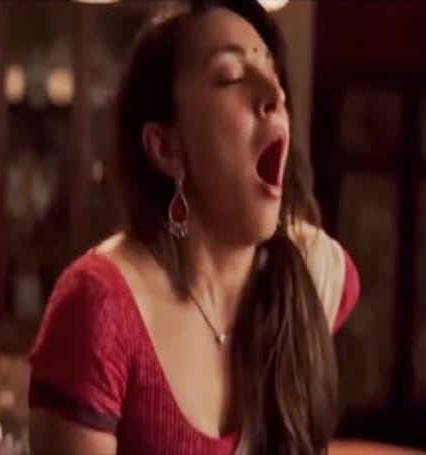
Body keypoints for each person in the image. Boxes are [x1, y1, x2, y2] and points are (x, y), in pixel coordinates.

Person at [28, 0, 359, 454]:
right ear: (165, 147)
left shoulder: (316, 274)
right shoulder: (98, 308)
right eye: (230, 76)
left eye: (273, 72)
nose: (275, 94)